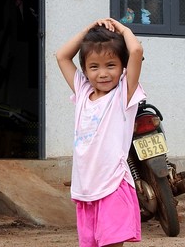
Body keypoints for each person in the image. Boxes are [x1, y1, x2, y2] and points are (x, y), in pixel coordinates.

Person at [56, 17, 146, 247]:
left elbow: (135, 50)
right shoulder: (83, 92)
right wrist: (87, 30)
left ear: (123, 67)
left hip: (113, 186)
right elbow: (62, 56)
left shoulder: (123, 94)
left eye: (111, 65)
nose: (103, 73)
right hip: (86, 189)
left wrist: (122, 28)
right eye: (94, 67)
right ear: (85, 71)